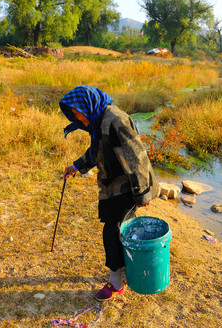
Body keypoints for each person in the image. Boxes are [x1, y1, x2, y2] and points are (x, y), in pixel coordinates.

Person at [59, 85, 160, 302]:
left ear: (88, 105)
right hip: (111, 185)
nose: (80, 120)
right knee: (115, 229)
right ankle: (122, 273)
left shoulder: (115, 120)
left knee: (112, 232)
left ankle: (116, 282)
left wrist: (142, 194)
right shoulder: (99, 120)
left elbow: (137, 158)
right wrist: (77, 166)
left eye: (80, 115)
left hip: (126, 187)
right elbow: (98, 150)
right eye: (75, 116)